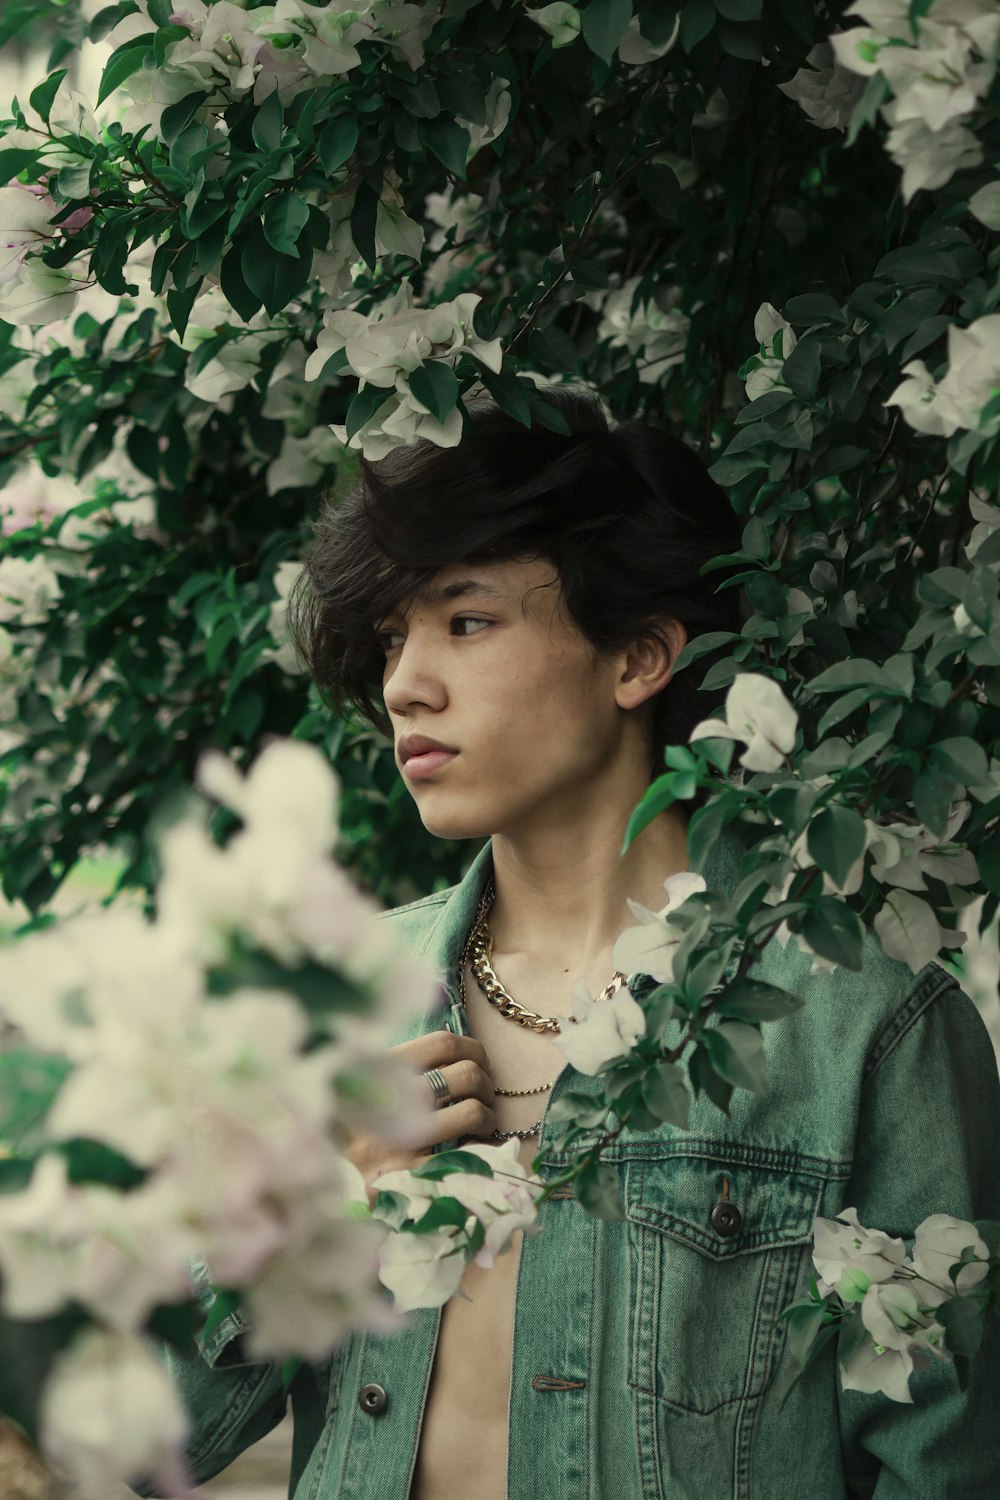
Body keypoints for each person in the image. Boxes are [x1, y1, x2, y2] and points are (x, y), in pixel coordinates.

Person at [143, 390, 1000, 1499]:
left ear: (637, 658)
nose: (405, 681)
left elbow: (949, 1464)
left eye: (467, 621)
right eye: (396, 635)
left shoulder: (865, 1028)